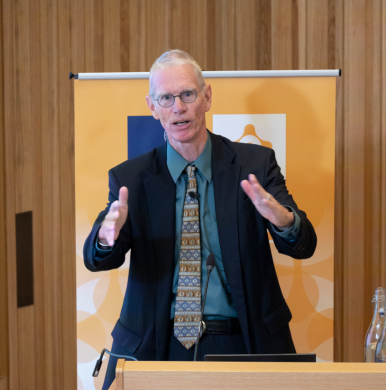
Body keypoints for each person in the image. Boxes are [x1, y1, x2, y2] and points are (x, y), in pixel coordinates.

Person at [83, 49, 317, 390]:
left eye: (187, 94)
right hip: (158, 346)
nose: (178, 107)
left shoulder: (254, 164)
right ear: (152, 107)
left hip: (243, 341)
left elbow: (304, 244)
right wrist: (106, 237)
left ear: (206, 97)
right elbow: (96, 259)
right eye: (166, 98)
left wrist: (283, 220)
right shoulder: (131, 178)